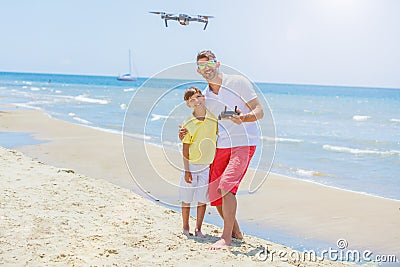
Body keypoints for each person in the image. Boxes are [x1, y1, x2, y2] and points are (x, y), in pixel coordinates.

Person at [180, 50, 264, 249]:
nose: (206, 68)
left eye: (209, 63)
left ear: (217, 64)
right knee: (214, 193)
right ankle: (235, 232)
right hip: (222, 145)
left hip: (244, 142)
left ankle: (226, 238)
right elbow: (198, 118)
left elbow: (259, 111)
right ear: (198, 70)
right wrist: (184, 130)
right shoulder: (205, 96)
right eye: (201, 65)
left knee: (226, 186)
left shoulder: (238, 82)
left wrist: (243, 118)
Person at [178, 86, 218, 238]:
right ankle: (185, 226)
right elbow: (185, 149)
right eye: (192, 100)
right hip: (191, 166)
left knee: (202, 200)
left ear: (203, 98)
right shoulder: (188, 124)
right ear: (188, 104)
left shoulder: (213, 118)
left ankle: (198, 229)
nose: (196, 101)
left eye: (198, 97)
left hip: (206, 167)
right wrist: (187, 170)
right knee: (186, 199)